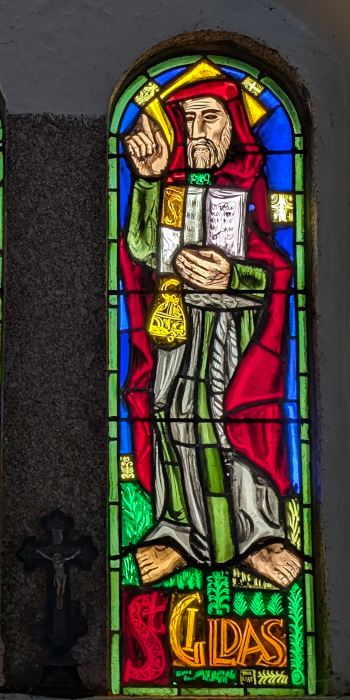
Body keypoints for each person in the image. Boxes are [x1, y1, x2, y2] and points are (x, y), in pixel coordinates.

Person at [122, 76, 301, 588]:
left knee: (228, 421)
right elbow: (142, 252)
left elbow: (277, 268)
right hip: (176, 326)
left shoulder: (249, 182)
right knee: (170, 414)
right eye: (188, 119)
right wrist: (148, 182)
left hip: (235, 330)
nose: (196, 131)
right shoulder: (171, 187)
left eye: (209, 118)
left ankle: (257, 535)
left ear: (233, 125)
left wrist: (232, 276)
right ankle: (178, 533)